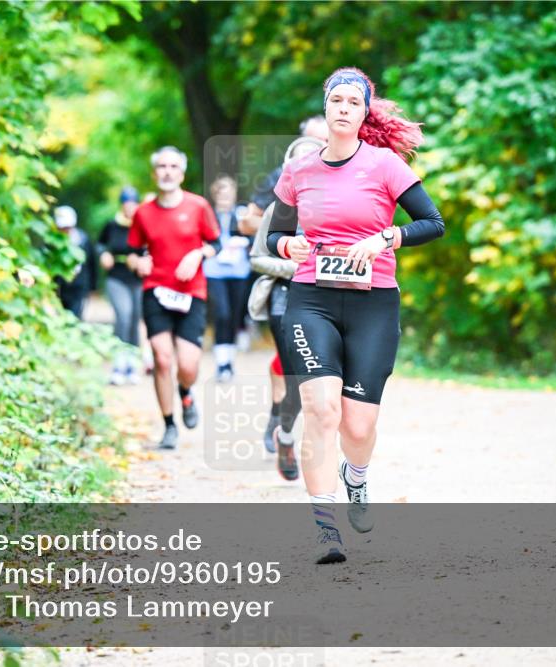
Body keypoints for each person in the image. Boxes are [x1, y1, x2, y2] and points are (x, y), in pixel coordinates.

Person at [266, 67, 445, 564]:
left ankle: (357, 478)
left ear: (365, 112)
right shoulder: (300, 169)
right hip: (312, 299)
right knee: (321, 410)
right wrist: (289, 243)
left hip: (373, 303)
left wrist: (387, 237)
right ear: (325, 108)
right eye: (335, 100)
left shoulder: (385, 165)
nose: (342, 108)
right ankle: (325, 528)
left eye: (352, 102)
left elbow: (433, 223)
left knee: (357, 428)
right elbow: (271, 236)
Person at [128, 146, 222, 449]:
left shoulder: (198, 207)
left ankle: (185, 392)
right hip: (155, 290)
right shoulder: (144, 213)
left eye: (173, 167)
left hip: (190, 292)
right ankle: (169, 426)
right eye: (162, 166)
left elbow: (216, 244)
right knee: (162, 358)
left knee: (188, 364)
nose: (167, 171)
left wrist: (197, 254)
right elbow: (132, 252)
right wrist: (137, 263)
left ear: (181, 173)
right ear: (155, 173)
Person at [249, 135, 326, 482]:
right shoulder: (277, 210)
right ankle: (287, 437)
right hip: (286, 301)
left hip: (329, 303)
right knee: (298, 379)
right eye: (299, 163)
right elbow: (256, 259)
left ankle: (321, 448)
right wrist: (293, 269)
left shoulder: (338, 206)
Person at [204, 175, 253, 383]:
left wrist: (241, 241)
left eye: (229, 194)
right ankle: (220, 362)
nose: (225, 198)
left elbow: (254, 236)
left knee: (233, 317)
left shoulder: (241, 214)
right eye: (221, 194)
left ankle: (228, 363)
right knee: (222, 314)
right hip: (214, 272)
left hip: (239, 272)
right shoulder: (208, 215)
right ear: (216, 195)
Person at [98, 186, 144, 385]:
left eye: (133, 204)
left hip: (137, 278)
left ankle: (132, 364)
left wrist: (141, 260)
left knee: (134, 319)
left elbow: (153, 247)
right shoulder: (112, 224)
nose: (130, 208)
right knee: (123, 316)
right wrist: (103, 254)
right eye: (126, 204)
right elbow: (100, 243)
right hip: (116, 276)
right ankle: (118, 364)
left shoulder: (143, 225)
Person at [53, 205, 97, 319]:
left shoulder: (83, 240)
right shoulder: (53, 242)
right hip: (60, 288)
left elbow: (92, 264)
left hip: (79, 287)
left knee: (75, 318)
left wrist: (92, 287)